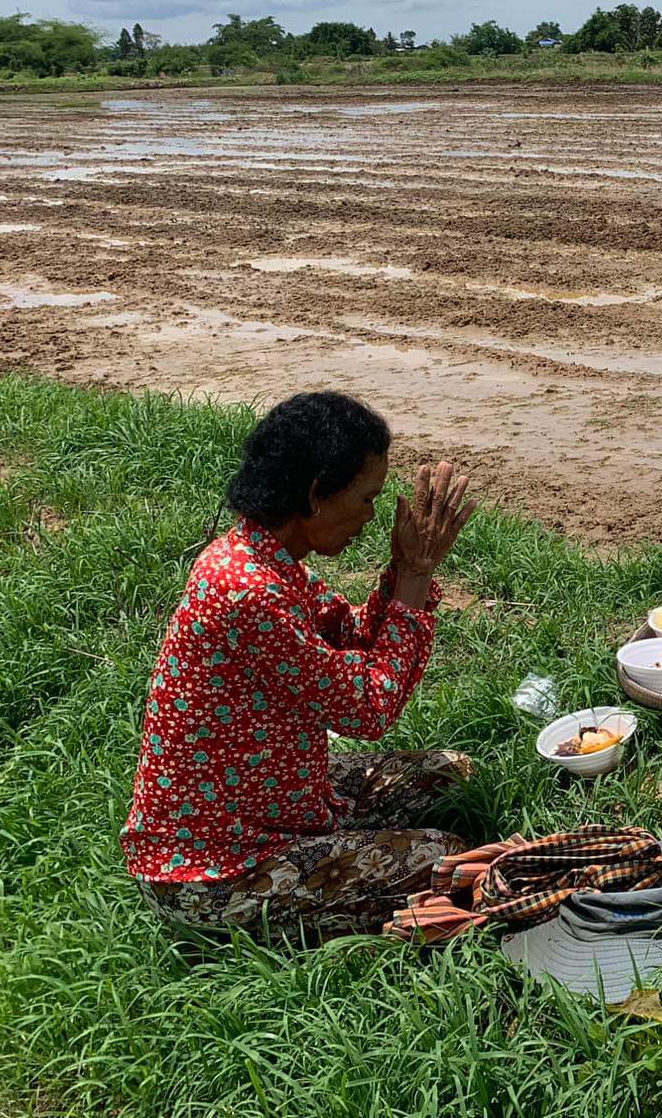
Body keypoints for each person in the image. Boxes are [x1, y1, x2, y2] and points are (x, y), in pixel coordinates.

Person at [122, 392, 478, 940]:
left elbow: (354, 632)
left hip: (274, 797)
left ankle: (332, 848)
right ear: (316, 494)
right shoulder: (248, 593)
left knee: (452, 776)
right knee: (451, 863)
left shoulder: (260, 557)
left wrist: (410, 570)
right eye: (365, 499)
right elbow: (368, 708)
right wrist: (413, 580)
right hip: (211, 872)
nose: (371, 516)